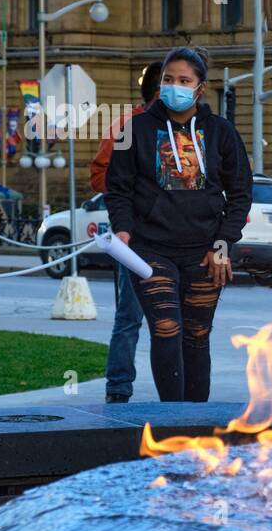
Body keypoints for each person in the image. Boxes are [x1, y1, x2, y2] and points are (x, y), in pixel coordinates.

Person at [105, 46, 253, 402]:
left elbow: (240, 192)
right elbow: (118, 187)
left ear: (200, 87)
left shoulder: (220, 132)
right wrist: (123, 229)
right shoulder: (134, 128)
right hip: (149, 249)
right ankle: (172, 416)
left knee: (197, 335)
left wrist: (223, 243)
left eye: (184, 80)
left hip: (204, 251)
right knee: (166, 327)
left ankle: (196, 421)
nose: (174, 86)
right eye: (168, 79)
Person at [90, 59, 163, 404]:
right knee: (130, 317)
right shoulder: (128, 126)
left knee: (168, 320)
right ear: (158, 91)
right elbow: (100, 175)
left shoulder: (187, 127)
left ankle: (175, 392)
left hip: (173, 236)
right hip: (134, 239)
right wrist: (130, 201)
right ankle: (118, 388)